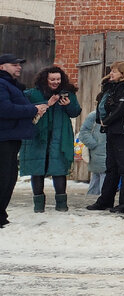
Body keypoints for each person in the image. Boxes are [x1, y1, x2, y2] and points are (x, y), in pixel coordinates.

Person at [87, 61, 124, 214]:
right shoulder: (110, 87)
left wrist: (105, 121)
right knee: (111, 167)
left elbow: (120, 109)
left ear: (123, 73)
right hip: (113, 130)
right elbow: (102, 105)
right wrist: (102, 121)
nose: (111, 74)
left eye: (114, 71)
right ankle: (105, 200)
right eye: (111, 71)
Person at [20, 66, 82, 212]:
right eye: (52, 79)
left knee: (59, 168)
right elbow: (26, 110)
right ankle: (38, 205)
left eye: (58, 79)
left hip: (59, 136)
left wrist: (68, 105)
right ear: (45, 79)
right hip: (38, 136)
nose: (55, 82)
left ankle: (61, 204)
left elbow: (75, 112)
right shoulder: (33, 94)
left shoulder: (68, 93)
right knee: (37, 169)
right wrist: (48, 103)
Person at [1, 53, 48, 228]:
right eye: (14, 64)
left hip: (12, 136)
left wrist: (34, 110)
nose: (19, 67)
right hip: (3, 138)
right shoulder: (1, 84)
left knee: (9, 177)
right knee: (4, 177)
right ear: (2, 67)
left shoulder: (11, 85)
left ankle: (1, 214)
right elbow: (4, 109)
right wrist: (31, 110)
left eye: (19, 64)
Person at [78, 106, 107, 195]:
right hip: (98, 151)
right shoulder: (94, 116)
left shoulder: (114, 115)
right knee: (100, 175)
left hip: (107, 150)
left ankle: (96, 197)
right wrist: (94, 145)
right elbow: (83, 132)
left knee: (99, 176)